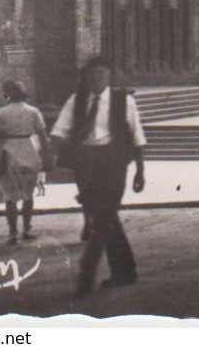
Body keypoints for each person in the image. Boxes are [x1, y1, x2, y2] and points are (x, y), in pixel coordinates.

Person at [50, 56, 146, 298]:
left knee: (103, 217)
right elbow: (61, 129)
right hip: (86, 164)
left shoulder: (124, 101)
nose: (95, 78)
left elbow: (137, 135)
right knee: (104, 215)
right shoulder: (76, 100)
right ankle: (126, 272)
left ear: (109, 75)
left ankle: (86, 272)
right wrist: (51, 152)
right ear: (85, 77)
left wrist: (140, 171)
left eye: (101, 73)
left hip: (114, 162)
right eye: (91, 74)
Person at [0, 80, 48, 245]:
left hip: (8, 153)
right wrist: (48, 155)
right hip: (29, 150)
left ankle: (12, 233)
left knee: (10, 196)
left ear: (6, 94)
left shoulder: (1, 113)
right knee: (28, 194)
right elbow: (42, 135)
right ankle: (27, 229)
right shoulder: (33, 111)